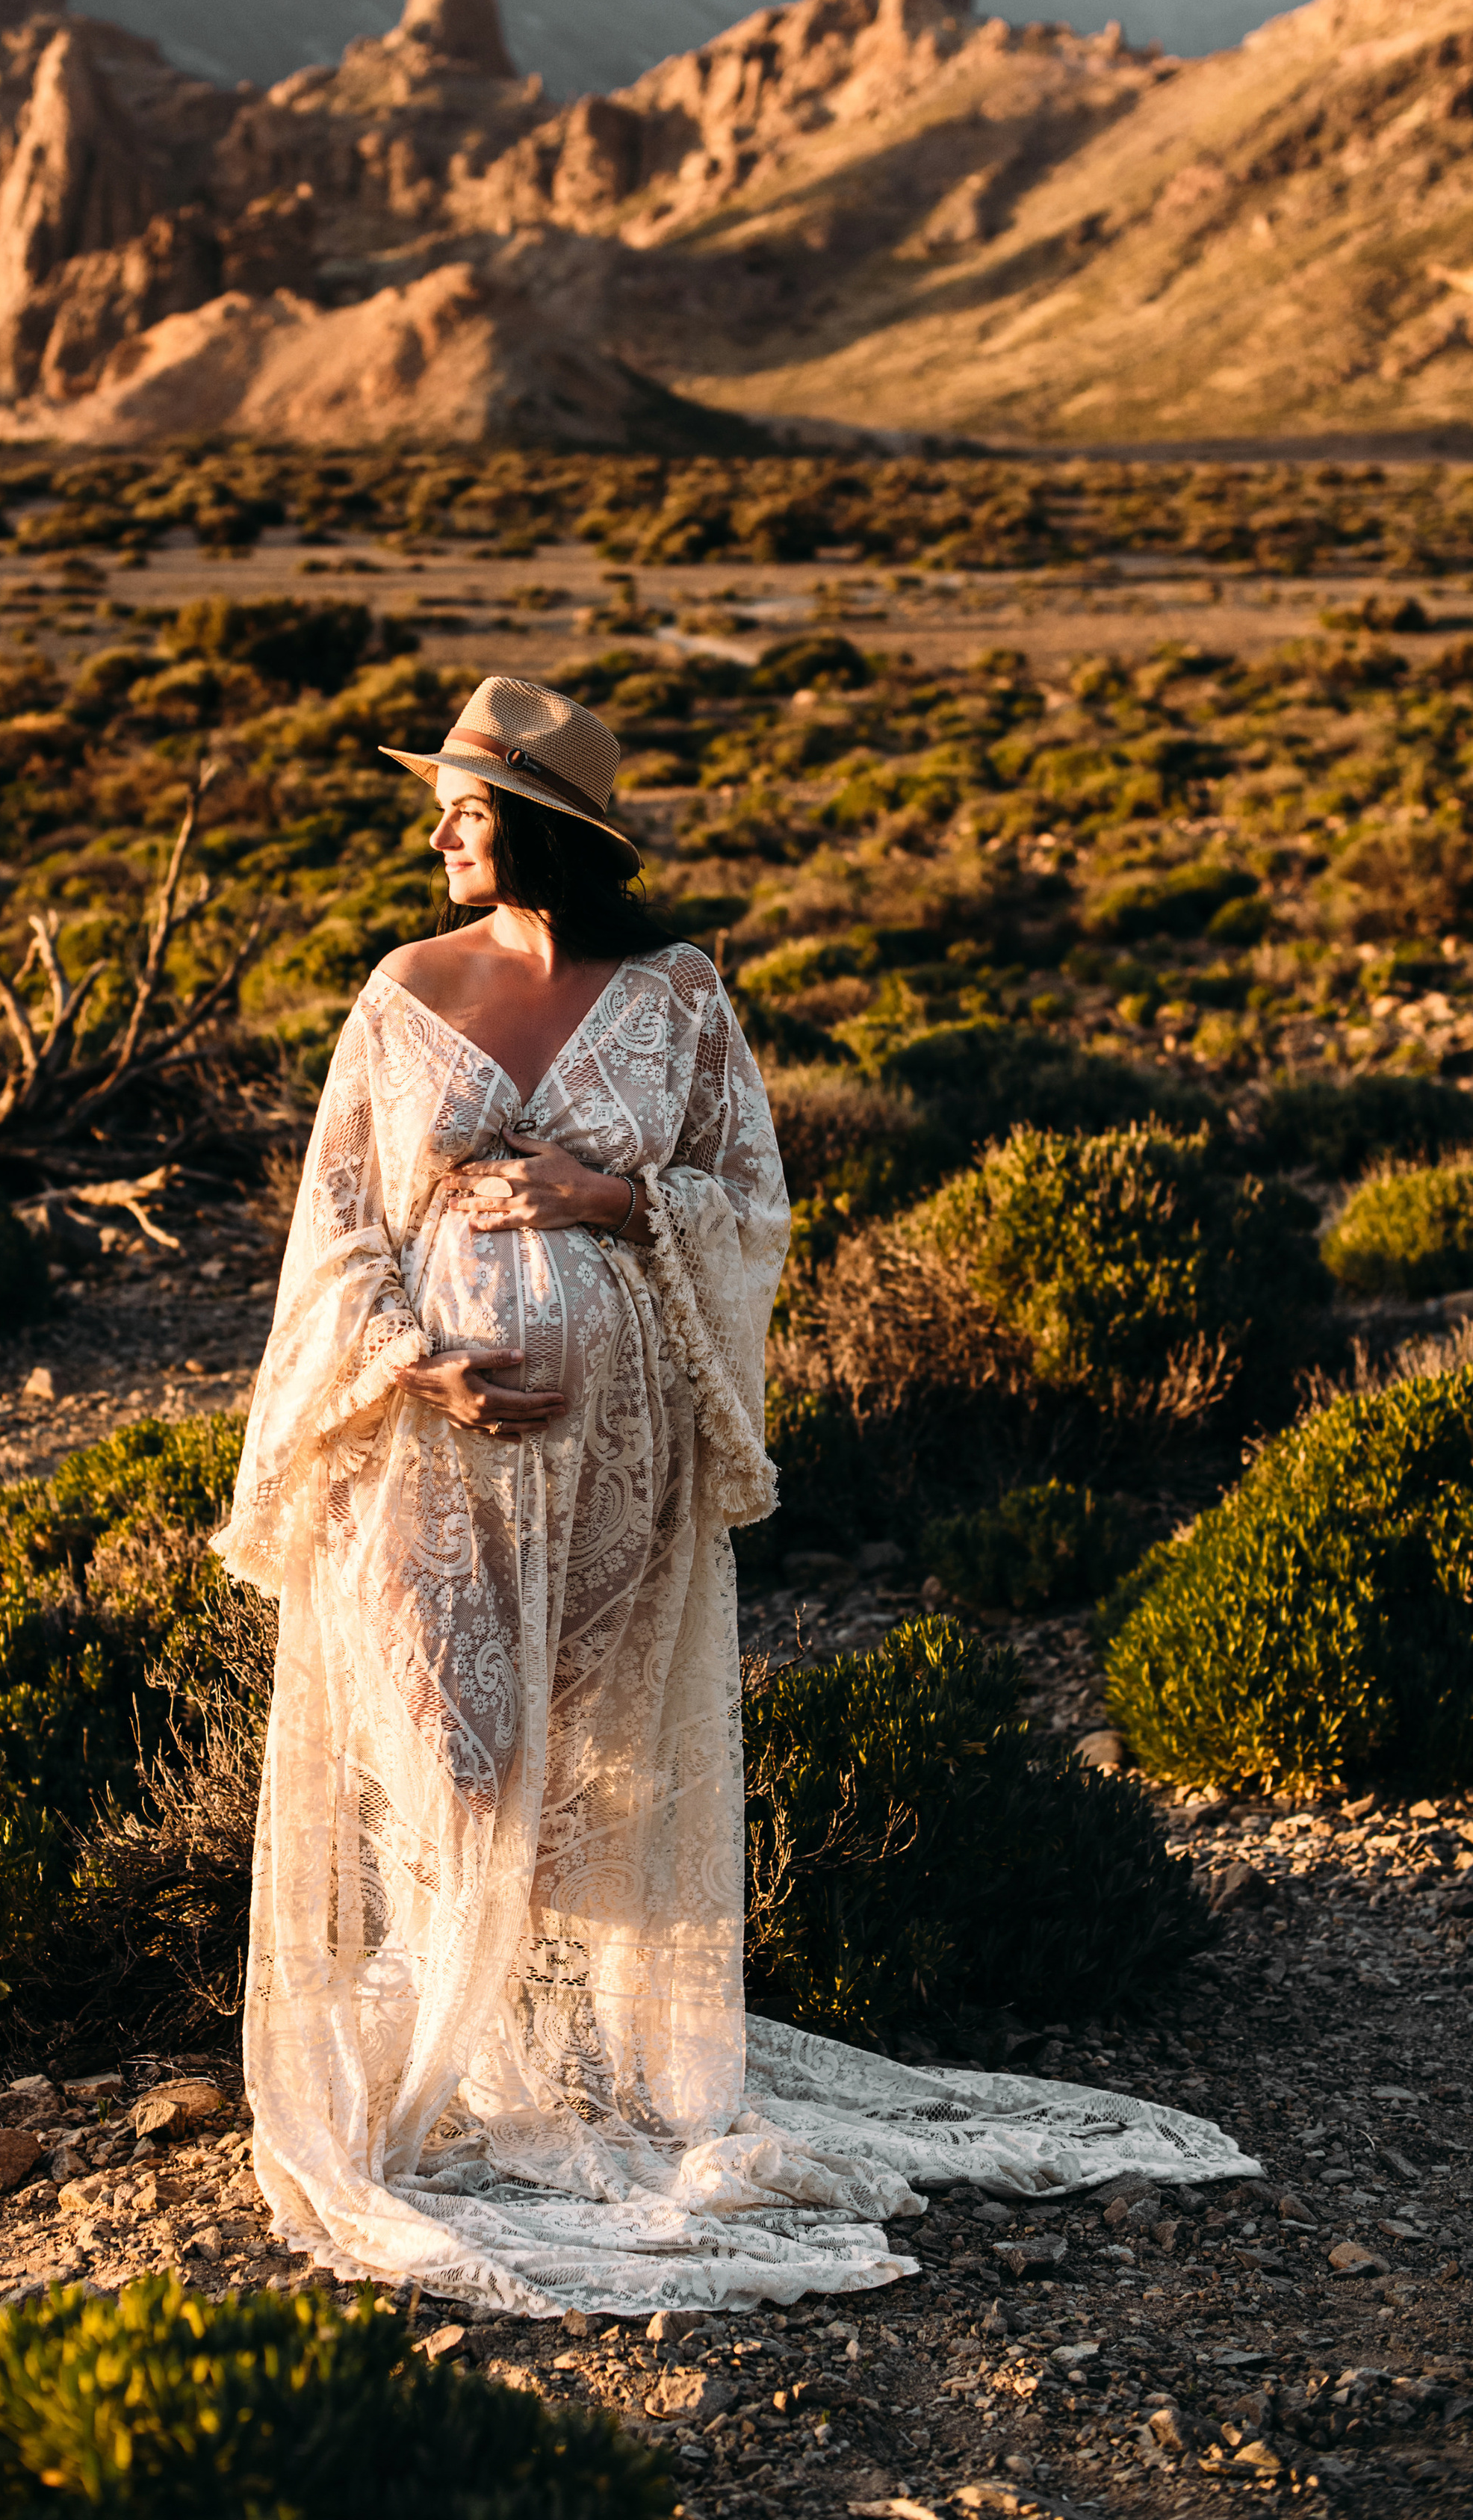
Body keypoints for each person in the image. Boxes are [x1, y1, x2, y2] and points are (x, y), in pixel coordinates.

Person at [212, 677, 1253, 2316]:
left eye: (466, 808)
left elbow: (745, 1203)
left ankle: (549, 2073)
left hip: (618, 1452)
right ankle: (449, 2078)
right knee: (448, 1749)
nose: (437, 833)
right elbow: (336, 1227)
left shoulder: (676, 999)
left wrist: (605, 1193)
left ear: (540, 827)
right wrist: (417, 1361)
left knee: (570, 1764)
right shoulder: (399, 994)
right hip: (425, 1445)